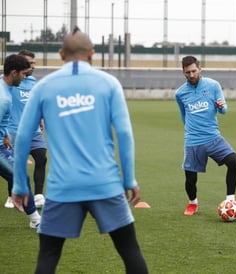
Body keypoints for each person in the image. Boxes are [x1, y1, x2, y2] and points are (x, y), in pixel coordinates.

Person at [12, 27, 148, 274]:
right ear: (92, 54)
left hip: (63, 187)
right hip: (104, 184)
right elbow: (125, 134)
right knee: (129, 251)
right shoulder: (108, 84)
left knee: (48, 256)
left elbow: (22, 137)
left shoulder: (44, 87)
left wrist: (20, 186)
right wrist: (129, 179)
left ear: (61, 54)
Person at [175, 55, 236, 216]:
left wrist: (221, 106)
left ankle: (231, 201)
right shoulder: (180, 94)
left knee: (234, 162)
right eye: (188, 72)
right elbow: (184, 116)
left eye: (194, 71)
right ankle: (192, 203)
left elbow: (224, 110)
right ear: (183, 72)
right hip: (193, 140)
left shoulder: (213, 85)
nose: (191, 75)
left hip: (213, 138)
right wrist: (192, 132)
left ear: (200, 69)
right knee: (190, 178)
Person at [0, 54, 41, 228]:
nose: (26, 77)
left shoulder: (5, 87)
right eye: (24, 74)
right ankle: (36, 220)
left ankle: (35, 219)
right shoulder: (3, 98)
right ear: (14, 72)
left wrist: (5, 134)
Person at [7, 49, 47, 209]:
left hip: (33, 130)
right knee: (15, 165)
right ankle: (11, 195)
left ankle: (38, 195)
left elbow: (36, 101)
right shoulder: (7, 83)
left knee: (41, 158)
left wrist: (42, 117)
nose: (33, 66)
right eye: (30, 63)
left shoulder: (33, 82)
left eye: (34, 63)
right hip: (13, 130)